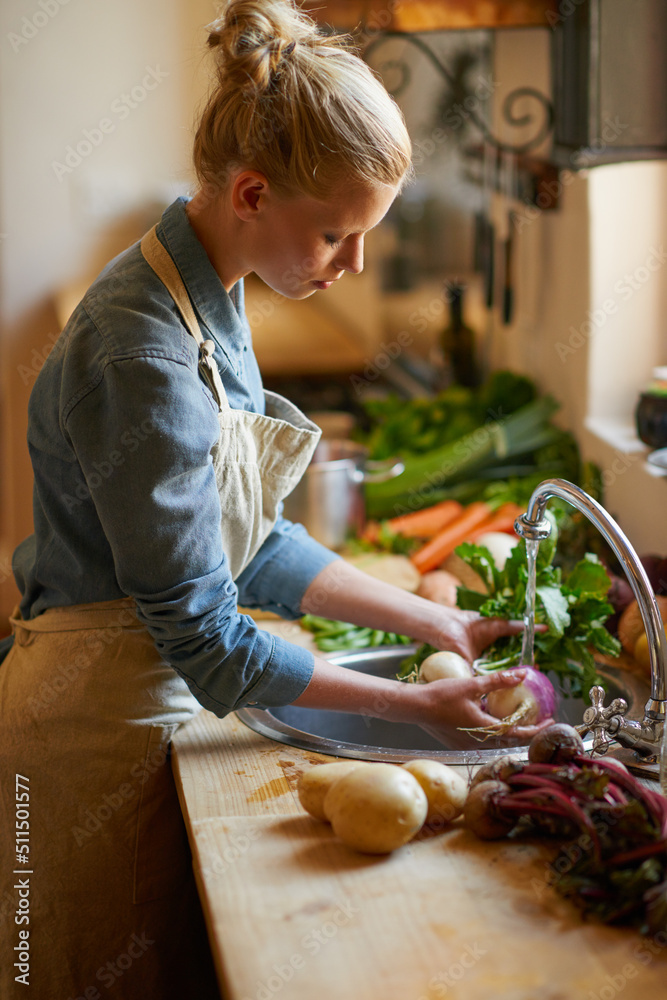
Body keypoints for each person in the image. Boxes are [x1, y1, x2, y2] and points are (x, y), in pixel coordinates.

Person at [0, 1, 548, 997]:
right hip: (88, 731)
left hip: (144, 701)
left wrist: (433, 617)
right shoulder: (145, 351)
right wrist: (414, 704)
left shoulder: (212, 284)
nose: (355, 266)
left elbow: (241, 549)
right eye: (338, 235)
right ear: (252, 190)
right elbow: (208, 635)